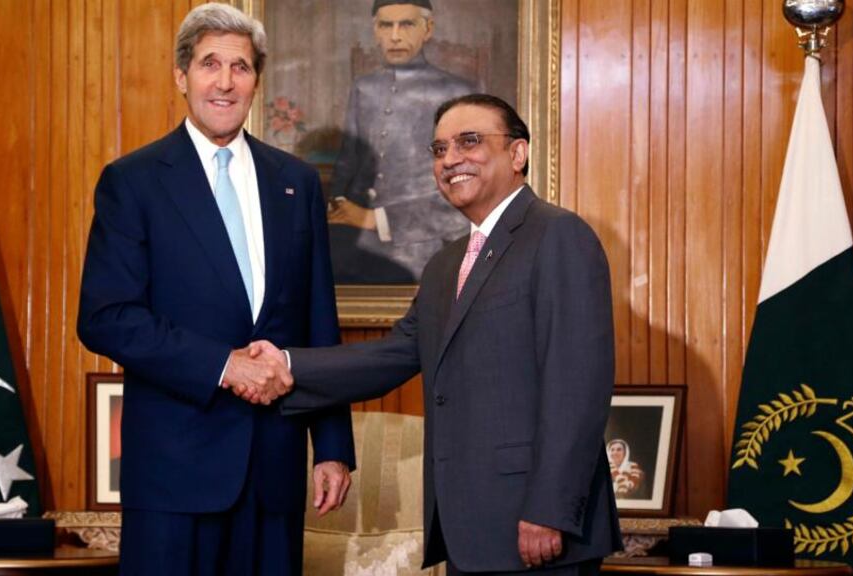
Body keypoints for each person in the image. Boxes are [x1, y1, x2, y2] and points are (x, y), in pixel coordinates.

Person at [250, 94, 622, 574]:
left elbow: (577, 388)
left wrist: (549, 510)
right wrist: (286, 364)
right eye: (439, 149)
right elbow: (395, 354)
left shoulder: (558, 236)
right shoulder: (448, 263)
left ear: (518, 154)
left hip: (537, 527)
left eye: (469, 142)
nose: (450, 159)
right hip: (469, 529)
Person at [76, 4, 355, 574]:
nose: (225, 81)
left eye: (241, 67)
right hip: (175, 473)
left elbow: (317, 320)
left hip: (274, 471)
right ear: (182, 76)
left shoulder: (296, 182)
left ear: (256, 79)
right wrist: (223, 366)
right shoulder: (133, 181)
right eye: (210, 64)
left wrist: (332, 446)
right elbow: (106, 316)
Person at [327, 0, 475, 283]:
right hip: (357, 250)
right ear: (375, 30)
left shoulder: (457, 92)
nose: (395, 35)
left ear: (427, 29)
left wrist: (375, 219)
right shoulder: (364, 88)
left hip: (423, 249)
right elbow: (348, 163)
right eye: (386, 25)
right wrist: (336, 213)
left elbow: (463, 184)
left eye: (406, 24)